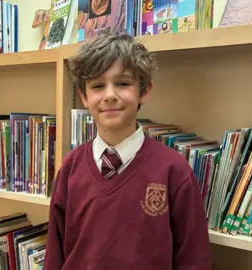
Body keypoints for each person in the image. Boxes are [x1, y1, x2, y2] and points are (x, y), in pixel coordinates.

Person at [44, 32, 212, 270]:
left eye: (123, 83)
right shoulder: (70, 169)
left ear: (144, 90)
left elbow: (194, 259)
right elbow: (54, 253)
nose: (110, 95)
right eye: (97, 86)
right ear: (83, 96)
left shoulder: (174, 171)